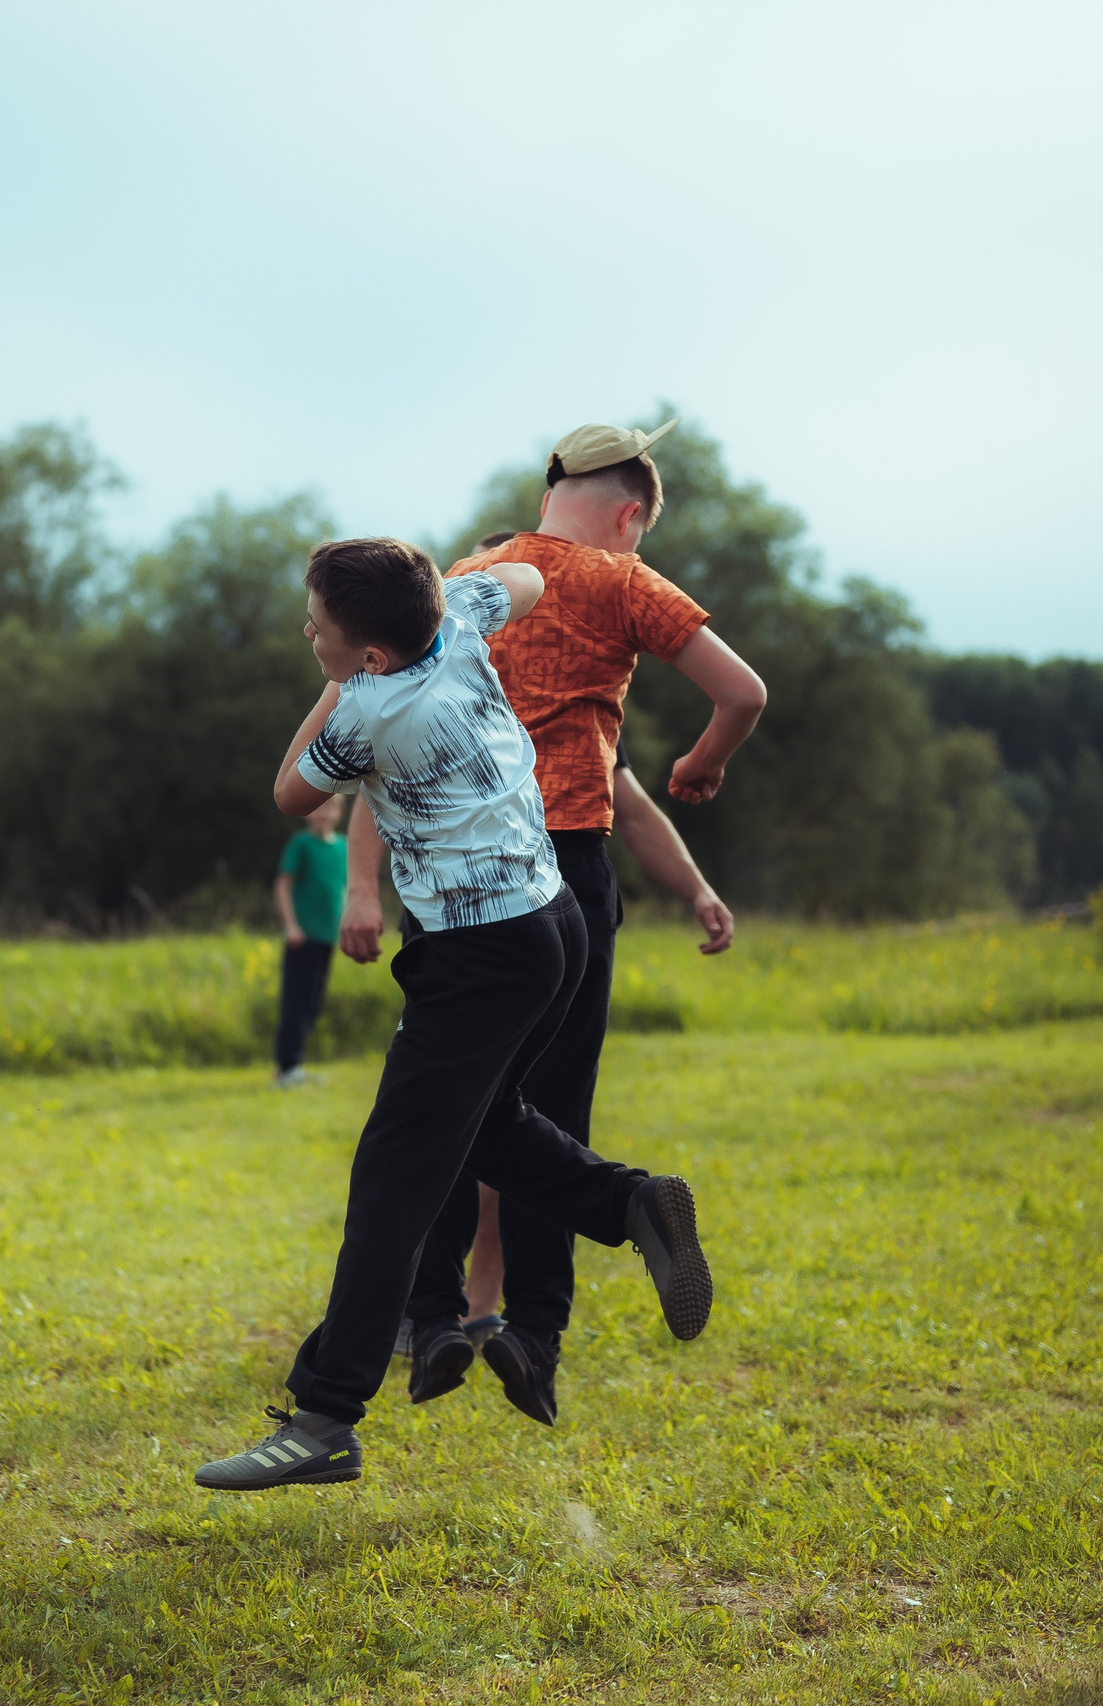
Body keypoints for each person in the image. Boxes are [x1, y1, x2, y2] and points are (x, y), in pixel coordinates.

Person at [194, 538, 711, 1492]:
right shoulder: (465, 619)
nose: (307, 633)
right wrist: (437, 596)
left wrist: (344, 680)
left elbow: (287, 790)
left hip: (476, 955)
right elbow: (530, 579)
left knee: (394, 1177)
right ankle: (629, 1203)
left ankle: (323, 1418)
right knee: (486, 1130)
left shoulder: (372, 709)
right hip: (552, 928)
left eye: (319, 627)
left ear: (371, 654)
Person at [344, 421, 766, 1428]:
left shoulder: (463, 577)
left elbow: (387, 731)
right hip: (567, 867)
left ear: (548, 492)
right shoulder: (624, 581)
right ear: (629, 514)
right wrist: (705, 761)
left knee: (452, 1100)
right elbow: (742, 690)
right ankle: (534, 1330)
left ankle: (437, 1312)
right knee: (551, 1101)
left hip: (451, 878)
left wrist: (364, 881)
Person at [434, 739, 738, 1362]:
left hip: (478, 910)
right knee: (512, 1118)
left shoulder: (452, 676)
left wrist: (697, 888)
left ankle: (449, 1309)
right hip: (561, 910)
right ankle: (494, 1311)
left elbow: (629, 805)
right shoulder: (479, 673)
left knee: (465, 1115)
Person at [270, 794, 347, 1086]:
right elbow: (283, 885)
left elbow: (343, 890)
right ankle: (286, 1067)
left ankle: (296, 1064)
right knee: (296, 1001)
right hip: (301, 938)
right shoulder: (300, 844)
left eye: (331, 807)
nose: (325, 813)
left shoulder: (343, 847)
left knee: (314, 1003)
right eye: (319, 807)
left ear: (340, 812)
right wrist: (291, 926)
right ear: (307, 813)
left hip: (328, 937)